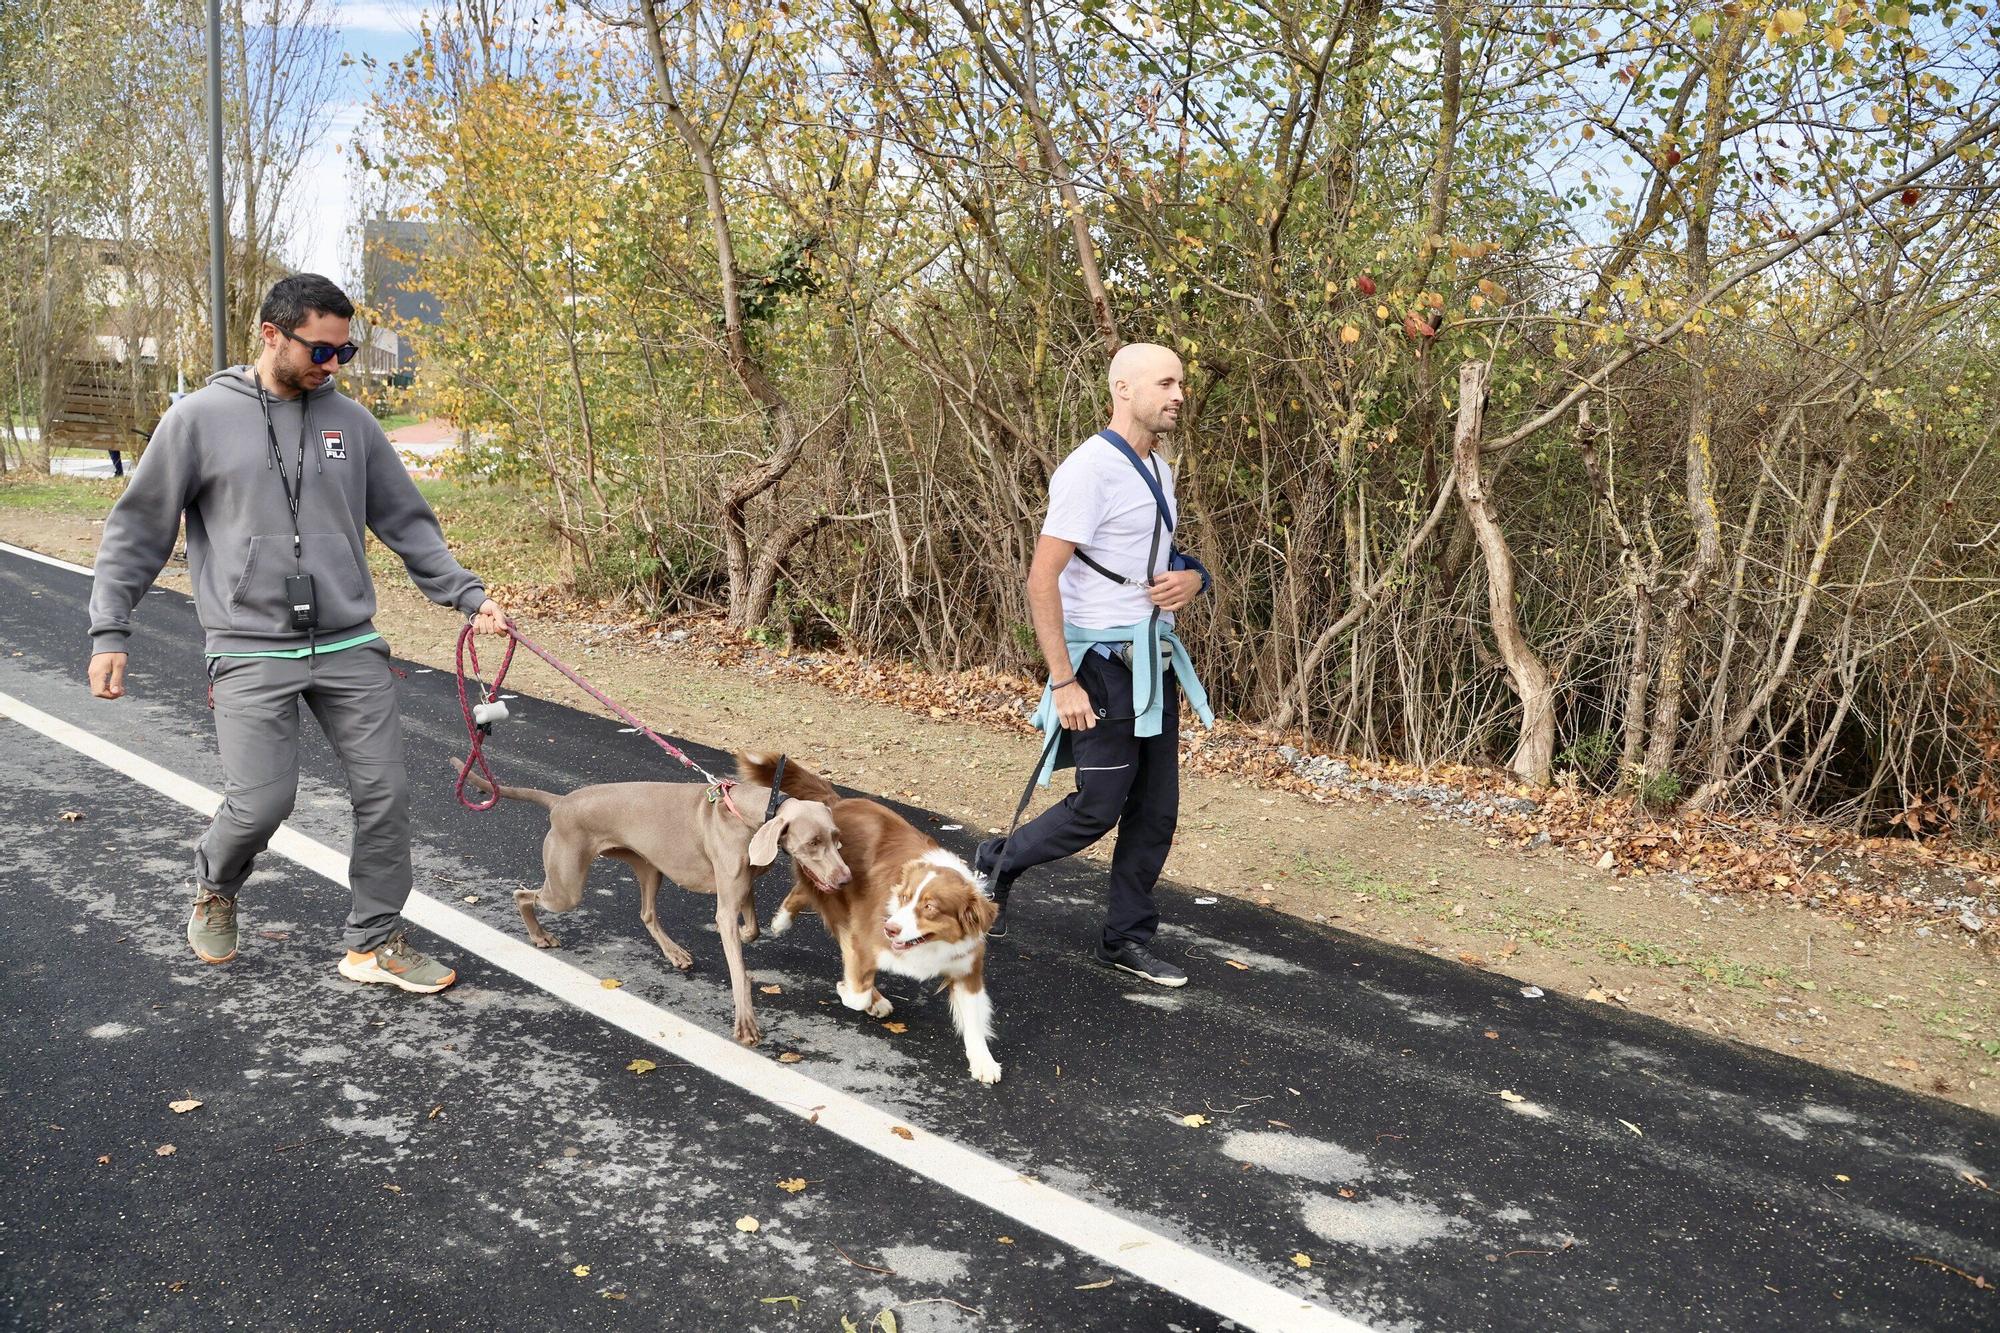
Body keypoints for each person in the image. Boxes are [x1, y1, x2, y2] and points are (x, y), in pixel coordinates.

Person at [86, 274, 507, 994]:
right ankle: (217, 884)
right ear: (271, 333)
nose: (332, 364)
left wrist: (468, 595)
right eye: (321, 348)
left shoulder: (353, 422)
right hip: (249, 643)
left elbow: (407, 523)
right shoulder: (198, 420)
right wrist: (109, 630)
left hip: (346, 638)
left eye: (343, 352)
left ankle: (373, 942)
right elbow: (137, 529)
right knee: (262, 800)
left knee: (386, 793)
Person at [976, 343, 1216, 987]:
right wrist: (1062, 680)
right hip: (1100, 667)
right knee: (1097, 807)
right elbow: (1041, 578)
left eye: (1181, 384)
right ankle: (996, 862)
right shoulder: (1088, 470)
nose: (1178, 395)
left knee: (1156, 809)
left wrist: (1196, 578)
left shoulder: (1159, 468)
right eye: (1166, 383)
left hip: (1153, 662)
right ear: (1123, 388)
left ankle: (1126, 939)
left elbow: (1154, 559)